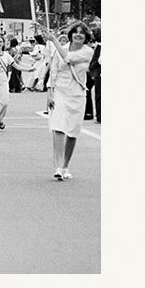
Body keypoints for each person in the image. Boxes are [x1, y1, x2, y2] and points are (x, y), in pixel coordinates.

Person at [44, 23, 95, 181]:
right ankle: (59, 166)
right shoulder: (60, 48)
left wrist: (53, 40)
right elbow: (54, 71)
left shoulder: (87, 52)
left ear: (86, 37)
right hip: (60, 91)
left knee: (72, 131)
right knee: (58, 126)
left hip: (77, 94)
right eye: (76, 32)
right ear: (71, 34)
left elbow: (68, 58)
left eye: (82, 33)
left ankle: (65, 165)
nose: (78, 35)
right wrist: (50, 93)